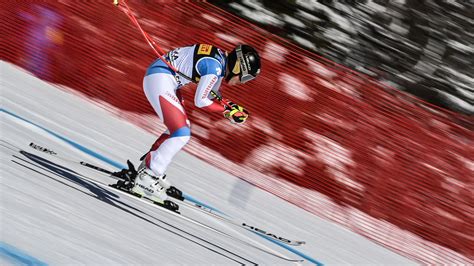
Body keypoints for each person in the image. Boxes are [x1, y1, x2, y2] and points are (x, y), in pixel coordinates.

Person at [111, 44, 261, 210]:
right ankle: (148, 177)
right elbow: (201, 100)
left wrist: (229, 106)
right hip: (161, 79)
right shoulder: (215, 68)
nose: (242, 82)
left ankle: (148, 170)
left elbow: (212, 93)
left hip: (165, 79)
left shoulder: (219, 61)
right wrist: (227, 111)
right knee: (182, 133)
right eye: (245, 77)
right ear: (239, 65)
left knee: (179, 128)